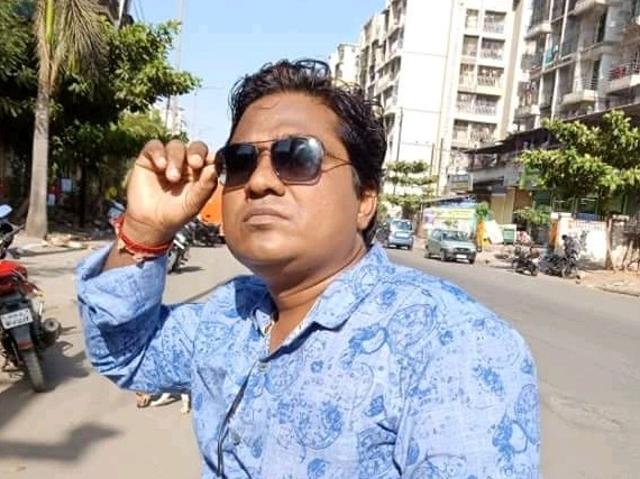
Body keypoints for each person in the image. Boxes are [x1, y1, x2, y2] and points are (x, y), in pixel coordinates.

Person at [76, 59, 539, 478]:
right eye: (240, 162)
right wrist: (145, 230)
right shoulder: (229, 313)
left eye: (297, 156)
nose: (260, 181)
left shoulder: (450, 342)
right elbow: (127, 354)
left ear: (364, 200)